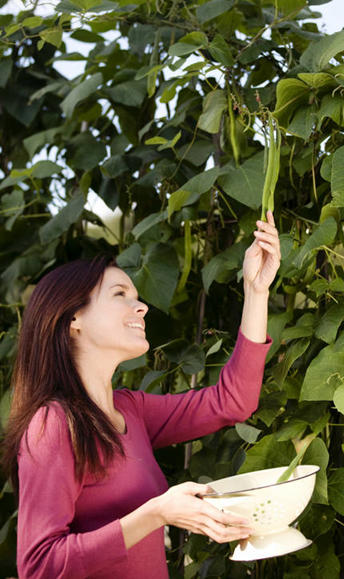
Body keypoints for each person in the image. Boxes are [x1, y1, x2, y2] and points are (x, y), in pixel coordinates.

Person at [2, 211, 281, 579]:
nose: (142, 306)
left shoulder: (130, 409)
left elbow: (232, 401)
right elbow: (39, 567)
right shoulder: (52, 425)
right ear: (73, 319)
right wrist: (156, 513)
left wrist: (255, 291)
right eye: (120, 294)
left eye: (137, 295)